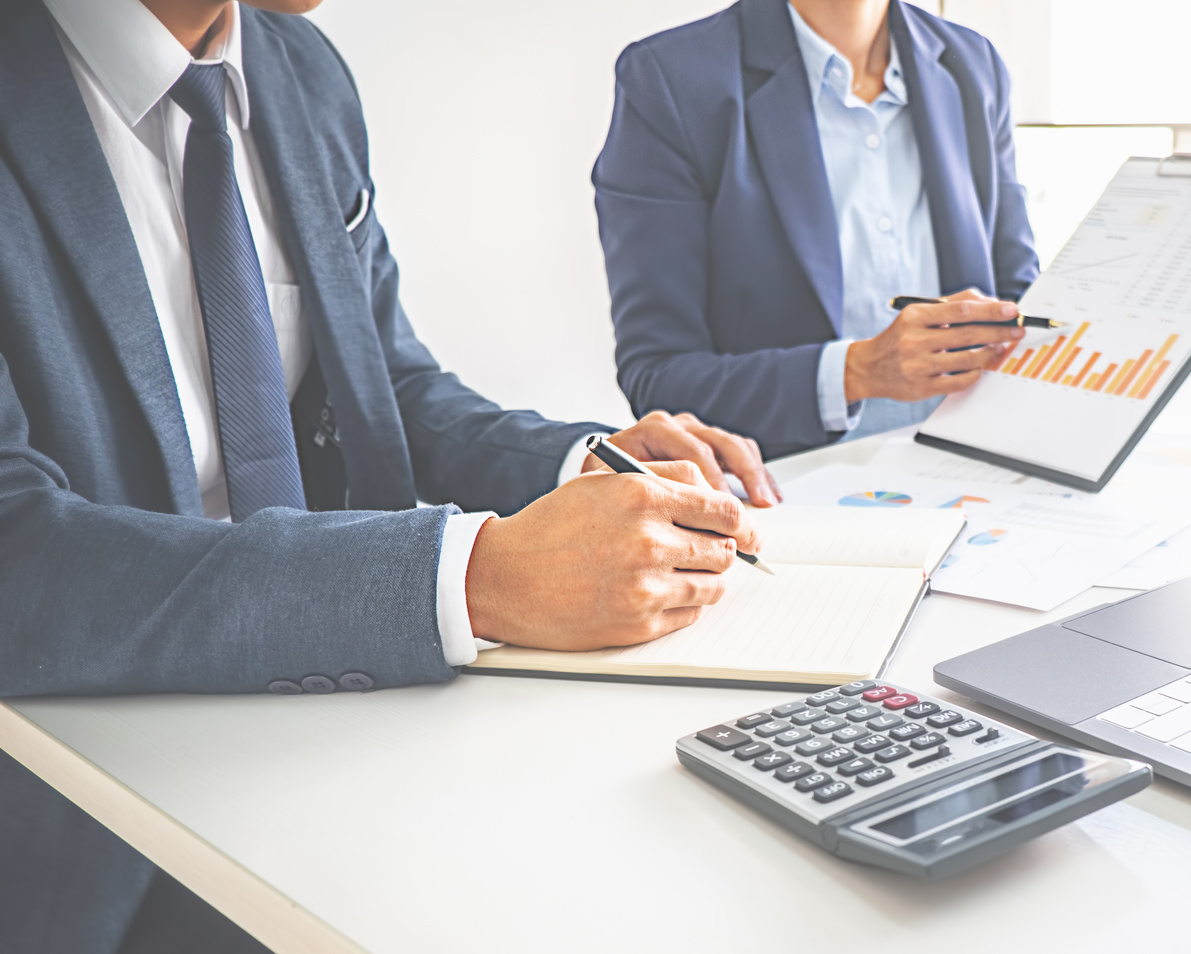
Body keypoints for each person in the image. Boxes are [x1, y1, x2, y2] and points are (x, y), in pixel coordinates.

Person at [0, 0, 781, 949]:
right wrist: (470, 577)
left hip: (341, 746)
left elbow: (383, 382)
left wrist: (583, 462)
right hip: (84, 823)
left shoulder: (300, 69)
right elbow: (16, 552)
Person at [595, 0, 1042, 459]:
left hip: (977, 476)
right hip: (783, 495)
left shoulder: (974, 63)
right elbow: (659, 378)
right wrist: (857, 372)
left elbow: (1021, 300)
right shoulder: (672, 78)